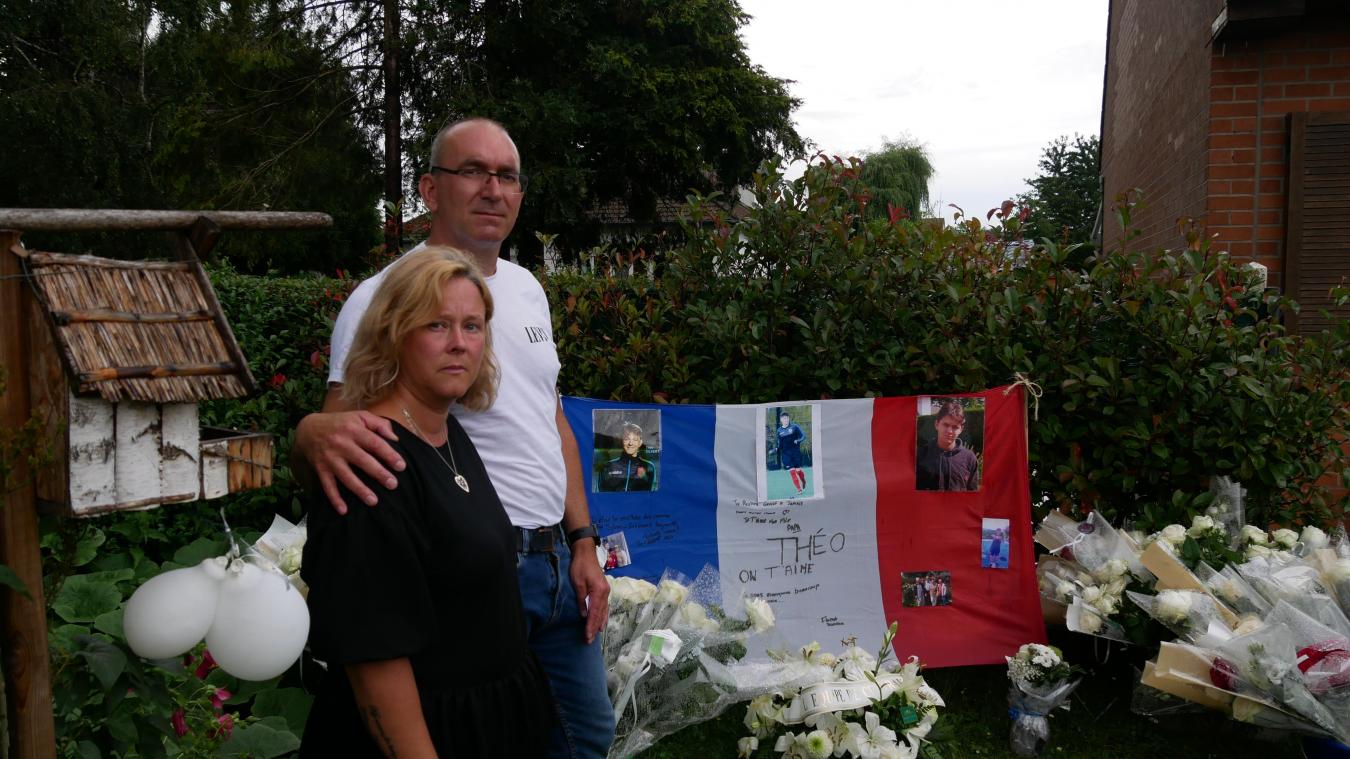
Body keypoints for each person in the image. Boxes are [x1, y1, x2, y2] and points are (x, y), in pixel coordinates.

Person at [294, 118, 614, 758]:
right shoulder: (383, 296)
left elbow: (549, 419)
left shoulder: (526, 289)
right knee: (465, 722)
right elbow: (345, 437)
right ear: (430, 189)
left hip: (553, 558)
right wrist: (306, 435)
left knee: (571, 733)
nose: (493, 189)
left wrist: (582, 539)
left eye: (507, 176)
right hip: (472, 567)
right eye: (473, 171)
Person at [300, 247, 553, 757]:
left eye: (473, 326)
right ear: (393, 333)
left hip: (487, 719)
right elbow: (374, 658)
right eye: (437, 325)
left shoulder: (448, 435)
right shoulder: (372, 460)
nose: (459, 343)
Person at [915, 400, 980, 491]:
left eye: (955, 427)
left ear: (961, 429)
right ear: (937, 424)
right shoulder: (920, 455)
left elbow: (972, 494)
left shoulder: (969, 458)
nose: (949, 431)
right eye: (946, 425)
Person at [597, 422, 655, 492]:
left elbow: (650, 494)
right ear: (621, 440)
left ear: (640, 442)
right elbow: (600, 493)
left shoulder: (649, 467)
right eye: (627, 439)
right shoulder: (607, 466)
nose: (630, 443)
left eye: (635, 439)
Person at [775, 412, 807, 495]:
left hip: (796, 453)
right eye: (783, 418)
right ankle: (799, 490)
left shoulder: (795, 427)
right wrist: (777, 448)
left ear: (788, 418)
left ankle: (803, 481)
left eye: (786, 418)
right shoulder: (779, 431)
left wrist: (798, 440)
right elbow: (779, 443)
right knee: (792, 471)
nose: (785, 420)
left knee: (798, 471)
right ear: (781, 420)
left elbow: (803, 436)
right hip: (786, 454)